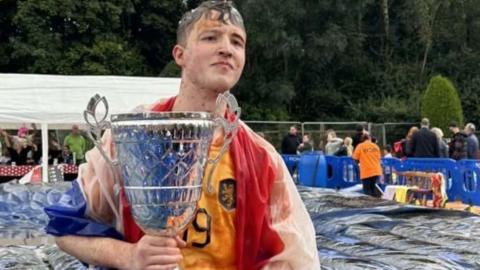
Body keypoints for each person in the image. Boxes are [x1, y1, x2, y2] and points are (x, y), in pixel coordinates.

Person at [47, 2, 319, 270]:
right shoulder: (132, 136)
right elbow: (65, 229)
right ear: (180, 54)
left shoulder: (262, 158)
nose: (226, 48)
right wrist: (129, 256)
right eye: (210, 37)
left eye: (237, 42)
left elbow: (295, 259)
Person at [352, 133, 382, 197]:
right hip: (376, 170)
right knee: (373, 188)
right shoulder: (376, 146)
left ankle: (369, 205)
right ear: (369, 138)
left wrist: (358, 164)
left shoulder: (360, 146)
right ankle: (376, 203)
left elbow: (355, 158)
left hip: (366, 171)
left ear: (362, 139)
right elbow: (379, 158)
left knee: (367, 190)